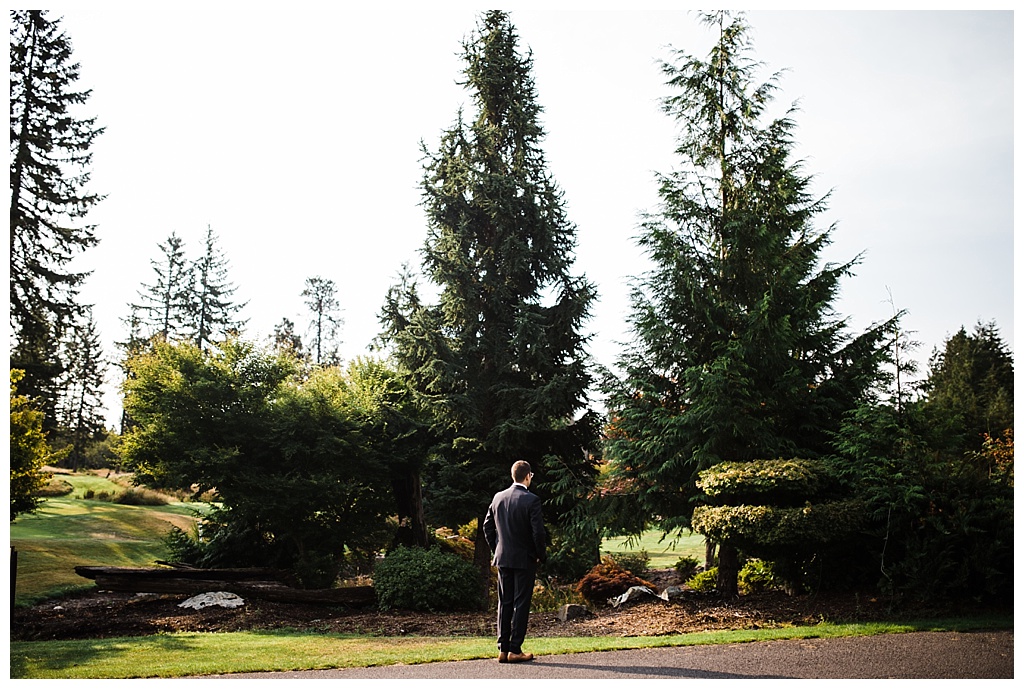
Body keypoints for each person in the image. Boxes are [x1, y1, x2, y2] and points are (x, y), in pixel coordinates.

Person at [483, 460, 546, 664]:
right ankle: (515, 649)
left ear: (513, 476)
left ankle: (502, 648)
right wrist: (540, 555)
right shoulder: (532, 500)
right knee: (521, 603)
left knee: (505, 602)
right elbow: (538, 533)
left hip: (503, 557)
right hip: (525, 558)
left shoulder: (498, 497)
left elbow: (487, 526)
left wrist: (497, 548)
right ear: (528, 476)